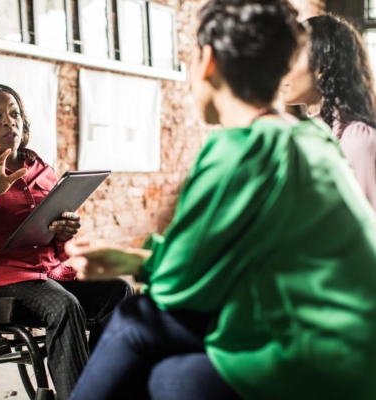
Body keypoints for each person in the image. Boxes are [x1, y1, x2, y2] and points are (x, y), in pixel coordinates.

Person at [65, 1, 376, 399]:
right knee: (164, 369)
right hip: (356, 349)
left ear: (206, 61)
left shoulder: (244, 147)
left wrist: (143, 265)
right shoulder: (312, 138)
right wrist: (134, 261)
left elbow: (179, 286)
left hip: (316, 357)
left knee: (139, 326)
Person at [0, 84, 133, 400]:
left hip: (48, 273)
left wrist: (64, 233)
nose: (9, 121)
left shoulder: (42, 170)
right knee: (65, 306)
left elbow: (53, 242)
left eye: (14, 113)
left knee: (119, 291)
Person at [281, 14, 376, 210]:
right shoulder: (308, 132)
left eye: (293, 57)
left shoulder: (357, 140)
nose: (282, 69)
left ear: (321, 67)